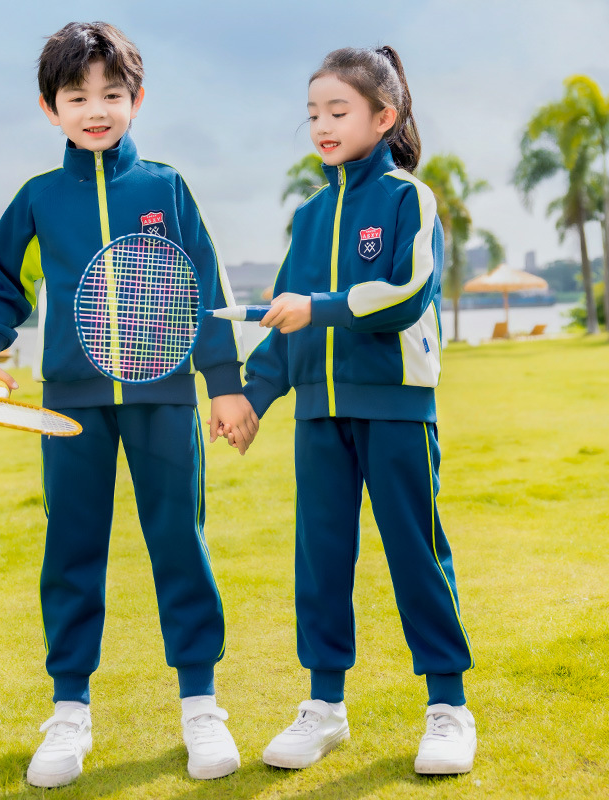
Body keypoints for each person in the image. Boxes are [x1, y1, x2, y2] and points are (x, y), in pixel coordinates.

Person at [0, 21, 258, 788]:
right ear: (48, 108)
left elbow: (207, 292)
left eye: (112, 95)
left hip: (165, 402)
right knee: (72, 551)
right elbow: (1, 287)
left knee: (179, 544)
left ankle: (201, 705)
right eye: (77, 96)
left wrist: (223, 384)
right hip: (73, 407)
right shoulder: (38, 201)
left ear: (138, 99)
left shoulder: (165, 188)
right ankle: (68, 713)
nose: (97, 109)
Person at [234, 46, 476, 776]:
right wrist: (252, 395)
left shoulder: (409, 199)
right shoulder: (308, 217)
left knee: (415, 554)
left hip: (396, 408)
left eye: (338, 110)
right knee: (321, 560)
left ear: (384, 116)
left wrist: (325, 307)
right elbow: (285, 319)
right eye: (313, 112)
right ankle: (325, 708)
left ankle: (448, 707)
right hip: (319, 418)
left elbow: (409, 294)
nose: (322, 124)